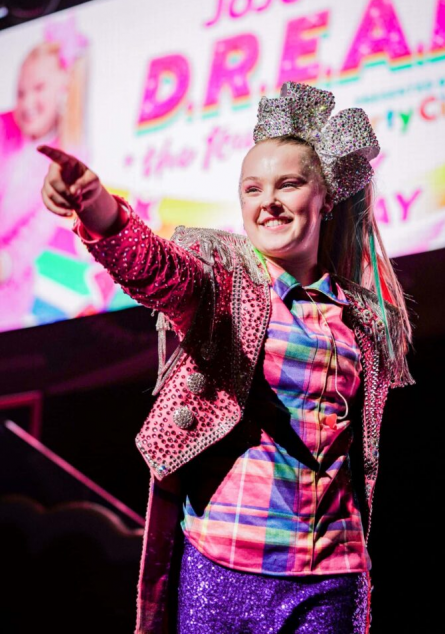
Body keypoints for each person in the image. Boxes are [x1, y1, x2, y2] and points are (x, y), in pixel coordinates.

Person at [39, 82, 414, 634]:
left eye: (288, 184)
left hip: (334, 577)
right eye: (253, 189)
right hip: (224, 565)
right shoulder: (223, 282)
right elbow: (153, 265)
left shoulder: (360, 318)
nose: (270, 202)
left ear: (325, 197)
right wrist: (96, 208)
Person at [0, 32, 89, 331]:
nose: (27, 103)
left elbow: (40, 225)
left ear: (63, 88)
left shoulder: (71, 154)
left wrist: (8, 263)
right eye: (21, 92)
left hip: (8, 291)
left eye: (38, 89)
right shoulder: (3, 126)